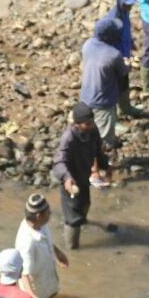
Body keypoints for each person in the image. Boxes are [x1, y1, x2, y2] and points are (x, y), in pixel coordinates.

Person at [52, 102, 110, 250]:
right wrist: (66, 178)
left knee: (85, 203)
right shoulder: (68, 138)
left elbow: (98, 151)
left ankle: (82, 222)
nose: (91, 125)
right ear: (77, 124)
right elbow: (59, 162)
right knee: (73, 217)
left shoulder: (93, 131)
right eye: (87, 123)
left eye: (92, 122)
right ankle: (72, 248)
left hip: (84, 176)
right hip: (70, 181)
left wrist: (105, 166)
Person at [16, 194, 67, 298]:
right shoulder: (27, 242)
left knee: (50, 295)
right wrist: (32, 297)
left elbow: (45, 238)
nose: (50, 214)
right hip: (35, 288)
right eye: (48, 212)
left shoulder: (39, 225)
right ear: (39, 216)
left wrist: (58, 253)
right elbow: (23, 274)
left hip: (46, 276)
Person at [79, 17, 126, 147]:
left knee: (88, 129)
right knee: (104, 138)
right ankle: (102, 160)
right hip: (103, 101)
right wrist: (128, 64)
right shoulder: (114, 54)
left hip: (86, 96)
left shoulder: (88, 44)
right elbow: (123, 72)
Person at [107, 0, 140, 116]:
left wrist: (131, 44)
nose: (129, 6)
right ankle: (114, 116)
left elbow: (126, 32)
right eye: (127, 4)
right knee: (115, 86)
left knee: (124, 81)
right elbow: (109, 40)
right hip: (117, 56)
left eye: (131, 4)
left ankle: (125, 107)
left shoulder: (125, 13)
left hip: (125, 54)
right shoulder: (114, 18)